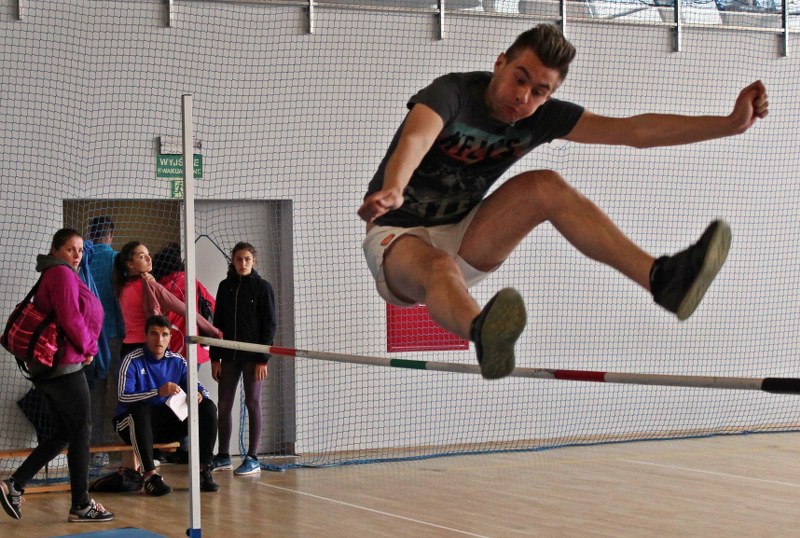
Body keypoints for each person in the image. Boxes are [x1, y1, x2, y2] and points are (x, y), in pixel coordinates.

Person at [358, 23, 769, 380]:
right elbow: (418, 137)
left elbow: (633, 132)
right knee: (438, 267)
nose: (523, 97)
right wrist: (395, 186)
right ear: (500, 63)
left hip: (467, 233)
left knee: (545, 185)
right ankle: (483, 332)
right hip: (398, 235)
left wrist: (730, 124)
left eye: (540, 92)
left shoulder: (542, 116)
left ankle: (663, 281)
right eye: (519, 79)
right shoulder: (453, 92)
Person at [1, 228, 114, 522]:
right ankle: (81, 504)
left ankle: (14, 484)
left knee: (64, 432)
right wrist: (89, 347)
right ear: (55, 250)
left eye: (80, 250)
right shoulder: (61, 274)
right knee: (82, 430)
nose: (76, 255)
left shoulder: (56, 272)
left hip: (51, 368)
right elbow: (70, 317)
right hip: (64, 365)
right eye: (70, 249)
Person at [114, 315, 219, 495]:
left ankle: (203, 470)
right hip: (131, 424)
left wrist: (198, 394)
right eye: (154, 334)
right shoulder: (131, 360)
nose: (159, 339)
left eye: (164, 335)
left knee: (207, 406)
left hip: (166, 424)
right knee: (140, 409)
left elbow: (201, 388)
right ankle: (150, 476)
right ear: (146, 336)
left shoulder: (178, 361)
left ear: (170, 337)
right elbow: (123, 396)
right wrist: (157, 392)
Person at [209, 242, 277, 476]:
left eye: (247, 259)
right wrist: (214, 358)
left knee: (252, 402)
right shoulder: (225, 286)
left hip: (253, 357)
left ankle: (252, 457)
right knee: (224, 404)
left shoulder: (263, 288)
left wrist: (263, 359)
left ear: (253, 260)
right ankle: (223, 455)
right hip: (229, 355)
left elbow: (270, 325)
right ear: (233, 261)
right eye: (239, 259)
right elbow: (217, 324)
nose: (243, 263)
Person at [112, 241, 221, 362]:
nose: (149, 259)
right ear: (130, 264)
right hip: (149, 349)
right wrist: (215, 332)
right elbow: (186, 311)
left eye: (148, 254)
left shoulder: (122, 287)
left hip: (127, 349)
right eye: (142, 256)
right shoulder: (150, 285)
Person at [84, 216, 125, 447]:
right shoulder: (117, 259)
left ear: (90, 234)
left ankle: (96, 448)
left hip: (89, 339)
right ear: (111, 235)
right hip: (115, 336)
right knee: (121, 391)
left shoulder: (84, 259)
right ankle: (123, 443)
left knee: (95, 394)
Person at [151, 242, 216, 365]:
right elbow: (213, 305)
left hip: (173, 347)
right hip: (197, 346)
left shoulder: (161, 289)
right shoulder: (194, 283)